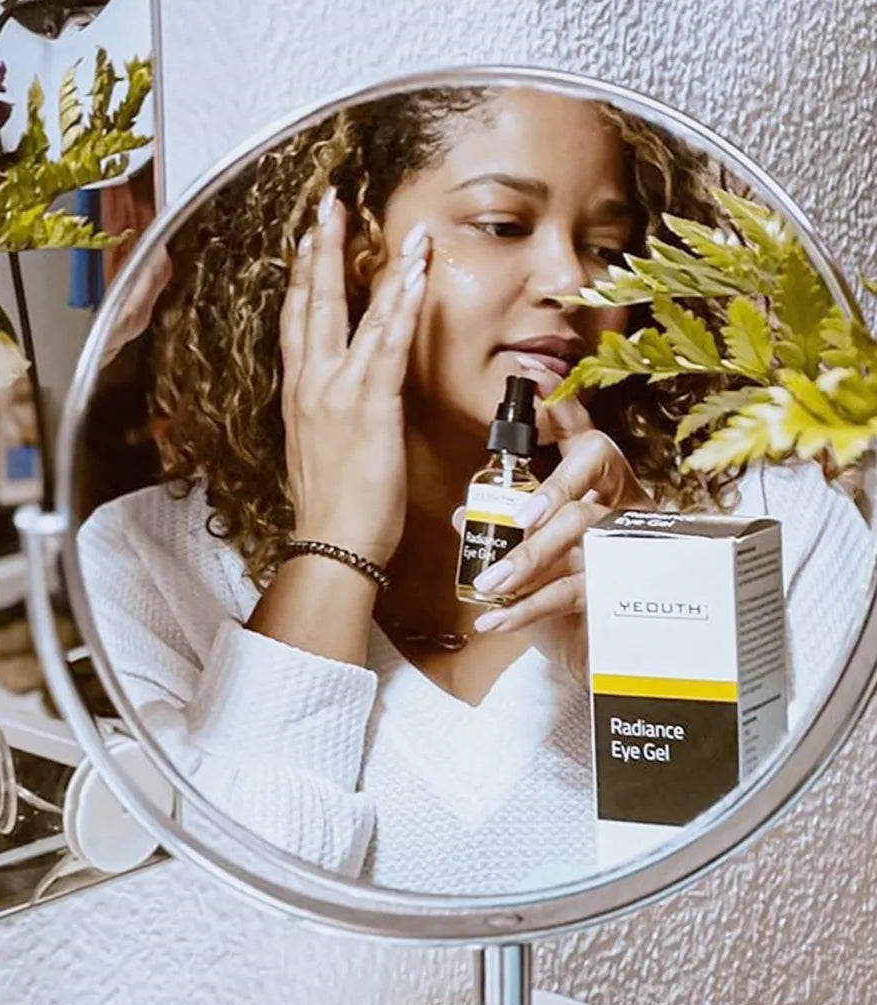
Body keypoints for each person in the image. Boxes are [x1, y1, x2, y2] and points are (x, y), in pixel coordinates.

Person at [79, 86, 872, 895]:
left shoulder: (779, 525)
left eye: (606, 244)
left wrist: (655, 653)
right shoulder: (146, 564)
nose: (571, 279)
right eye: (502, 225)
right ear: (355, 244)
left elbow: (780, 927)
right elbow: (220, 945)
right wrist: (334, 550)